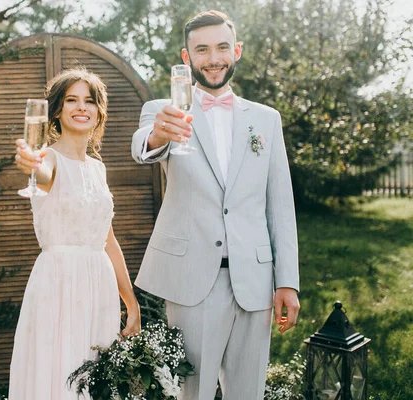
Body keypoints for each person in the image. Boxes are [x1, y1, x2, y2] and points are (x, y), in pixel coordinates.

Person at [131, 10, 300, 400]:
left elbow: (280, 206)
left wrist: (287, 280)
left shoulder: (266, 120)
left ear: (236, 50)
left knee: (249, 393)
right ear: (186, 57)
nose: (213, 58)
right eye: (202, 50)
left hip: (256, 282)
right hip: (193, 282)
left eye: (222, 47)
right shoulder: (164, 112)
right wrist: (157, 135)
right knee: (194, 392)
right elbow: (144, 148)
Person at [8, 68, 141, 400]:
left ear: (98, 112)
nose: (82, 108)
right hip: (59, 285)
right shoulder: (50, 159)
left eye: (89, 101)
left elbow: (106, 239)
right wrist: (31, 163)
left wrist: (131, 301)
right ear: (57, 110)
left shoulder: (98, 168)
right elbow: (41, 173)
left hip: (100, 286)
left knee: (93, 378)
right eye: (72, 100)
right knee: (60, 376)